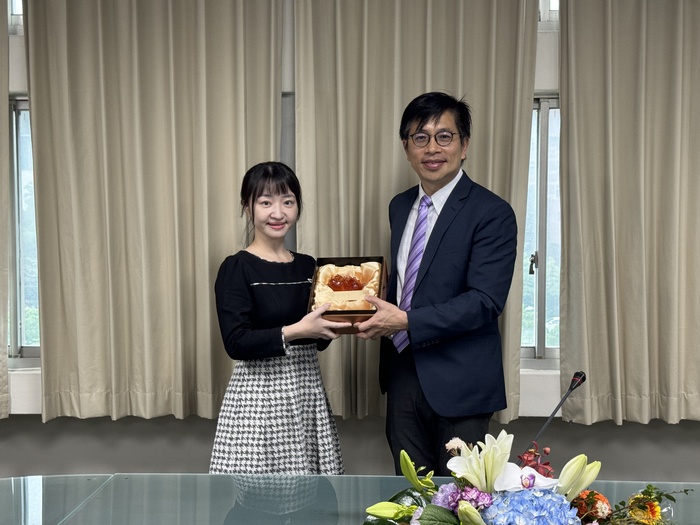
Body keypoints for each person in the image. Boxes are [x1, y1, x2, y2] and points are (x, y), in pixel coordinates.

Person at [355, 92, 517, 476]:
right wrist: (358, 311)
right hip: (402, 375)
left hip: (461, 382)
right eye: (420, 137)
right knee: (411, 498)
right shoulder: (399, 205)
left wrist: (406, 321)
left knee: (462, 504)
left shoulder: (491, 212)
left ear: (464, 146)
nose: (432, 148)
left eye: (444, 137)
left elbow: (484, 301)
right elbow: (404, 286)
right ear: (406, 147)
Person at [209, 161, 350, 475]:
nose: (278, 212)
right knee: (256, 499)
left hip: (307, 389)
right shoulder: (236, 267)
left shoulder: (308, 266)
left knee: (316, 496)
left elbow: (315, 340)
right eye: (266, 202)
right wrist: (298, 329)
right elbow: (236, 342)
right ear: (248, 207)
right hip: (259, 396)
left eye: (288, 201)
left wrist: (335, 325)